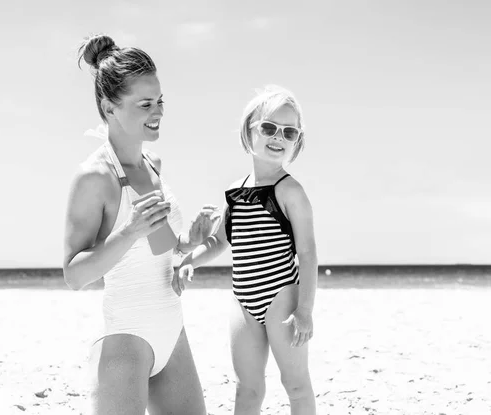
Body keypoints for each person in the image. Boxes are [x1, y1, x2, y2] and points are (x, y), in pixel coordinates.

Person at [63, 34, 217, 415]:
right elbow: (74, 275)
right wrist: (129, 230)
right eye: (145, 103)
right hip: (125, 341)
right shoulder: (94, 178)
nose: (158, 111)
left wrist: (187, 242)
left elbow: (158, 246)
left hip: (172, 333)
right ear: (109, 107)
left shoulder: (153, 164)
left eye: (160, 101)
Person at [173, 85, 318, 414]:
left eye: (289, 131)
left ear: (297, 141)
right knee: (247, 387)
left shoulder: (290, 190)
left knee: (296, 384)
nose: (278, 137)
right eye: (268, 127)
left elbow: (308, 254)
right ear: (248, 132)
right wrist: (188, 261)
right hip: (244, 300)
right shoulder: (237, 192)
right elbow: (220, 241)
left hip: (282, 296)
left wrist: (305, 311)